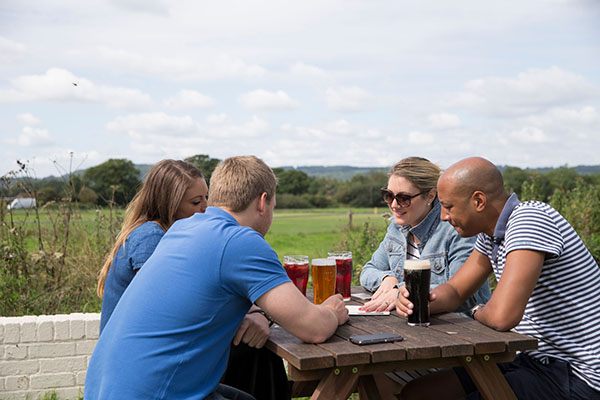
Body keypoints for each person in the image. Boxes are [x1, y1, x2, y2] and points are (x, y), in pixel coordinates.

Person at [85, 155, 349, 400]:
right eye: (273, 206)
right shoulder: (242, 241)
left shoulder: (181, 229)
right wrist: (333, 311)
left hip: (104, 388)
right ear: (262, 201)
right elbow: (313, 328)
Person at [396, 157, 600, 399]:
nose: (443, 217)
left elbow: (502, 317)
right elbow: (457, 291)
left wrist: (476, 310)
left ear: (479, 201)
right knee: (418, 393)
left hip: (577, 374)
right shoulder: (491, 233)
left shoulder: (530, 220)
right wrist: (418, 302)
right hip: (532, 359)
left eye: (448, 206)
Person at [360, 157, 490, 314]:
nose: (394, 205)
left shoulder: (455, 230)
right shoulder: (396, 228)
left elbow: (462, 292)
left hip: (459, 328)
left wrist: (403, 292)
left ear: (430, 196)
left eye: (404, 198)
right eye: (388, 195)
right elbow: (368, 270)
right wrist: (387, 279)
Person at [98, 159, 208, 333]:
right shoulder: (151, 237)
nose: (205, 208)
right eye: (196, 202)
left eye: (206, 198)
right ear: (170, 204)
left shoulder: (159, 234)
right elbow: (161, 305)